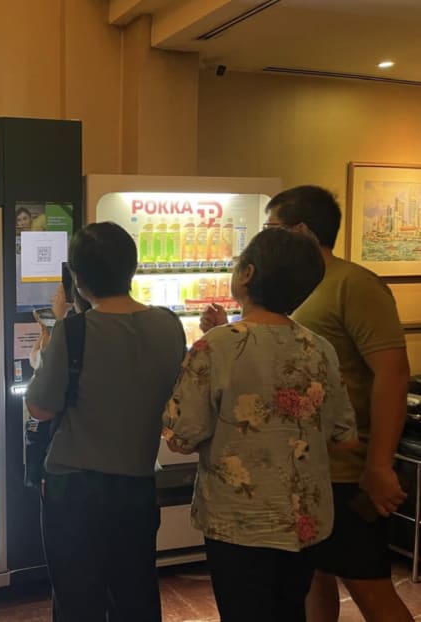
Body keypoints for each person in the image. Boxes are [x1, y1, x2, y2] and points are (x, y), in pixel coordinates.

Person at [201, 186, 412, 622]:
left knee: (368, 583)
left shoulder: (354, 285)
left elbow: (393, 372)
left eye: (271, 227)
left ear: (300, 230)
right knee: (313, 582)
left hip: (344, 468)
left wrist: (379, 465)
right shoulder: (295, 286)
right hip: (301, 473)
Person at [164, 228, 358, 622]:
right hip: (305, 517)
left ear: (248, 274)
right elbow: (343, 436)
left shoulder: (215, 346)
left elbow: (180, 438)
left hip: (238, 520)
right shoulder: (319, 347)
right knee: (289, 610)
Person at [25, 222, 186, 622]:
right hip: (138, 484)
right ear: (131, 268)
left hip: (74, 490)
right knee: (135, 594)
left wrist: (53, 334)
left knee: (78, 599)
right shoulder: (169, 325)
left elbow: (40, 408)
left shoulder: (72, 330)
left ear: (78, 279)